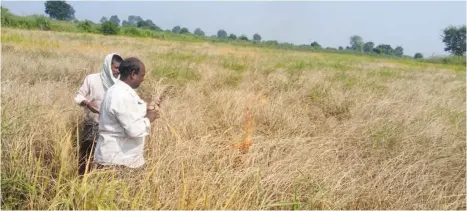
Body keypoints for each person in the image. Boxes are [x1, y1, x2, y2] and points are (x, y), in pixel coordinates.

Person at [94, 57, 160, 169]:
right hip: (117, 161)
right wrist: (149, 118)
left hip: (122, 158)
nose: (143, 79)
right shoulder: (121, 95)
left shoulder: (119, 91)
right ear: (133, 74)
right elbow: (134, 130)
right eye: (142, 75)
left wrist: (147, 107)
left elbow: (130, 112)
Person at [74, 53, 123, 175]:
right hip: (92, 125)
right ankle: (82, 181)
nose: (118, 71)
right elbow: (78, 96)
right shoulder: (92, 79)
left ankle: (100, 183)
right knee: (86, 158)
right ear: (107, 66)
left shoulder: (122, 84)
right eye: (116, 68)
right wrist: (87, 103)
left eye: (120, 68)